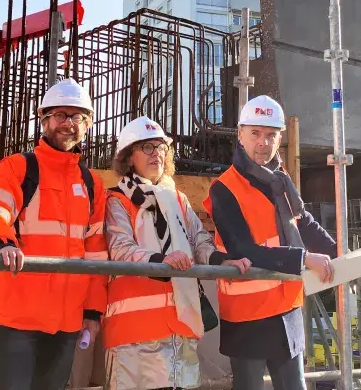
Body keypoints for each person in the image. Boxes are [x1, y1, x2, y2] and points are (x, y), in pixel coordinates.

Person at [0, 78, 108, 390]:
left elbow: (97, 252)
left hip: (69, 320)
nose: (68, 124)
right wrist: (1, 242)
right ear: (44, 119)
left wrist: (93, 311)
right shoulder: (17, 168)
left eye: (77, 117)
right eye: (60, 115)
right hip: (19, 316)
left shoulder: (92, 184)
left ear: (87, 124)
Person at [103, 116, 252, 390]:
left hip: (180, 331)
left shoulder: (178, 199)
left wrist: (221, 260)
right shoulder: (118, 200)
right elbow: (120, 248)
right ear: (128, 157)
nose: (156, 153)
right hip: (135, 335)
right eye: (147, 147)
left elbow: (198, 240)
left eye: (160, 147)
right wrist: (162, 262)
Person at [203, 95, 338, 390]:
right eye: (255, 134)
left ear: (280, 138)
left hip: (286, 311)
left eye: (270, 135)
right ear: (240, 135)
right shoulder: (224, 188)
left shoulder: (280, 180)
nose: (263, 143)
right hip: (247, 317)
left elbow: (304, 223)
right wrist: (304, 260)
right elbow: (242, 248)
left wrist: (347, 257)